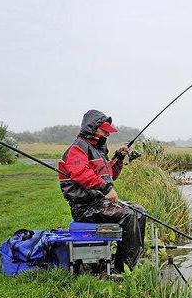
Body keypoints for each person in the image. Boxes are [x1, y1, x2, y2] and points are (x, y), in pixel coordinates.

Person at [58, 109, 146, 271]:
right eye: (104, 131)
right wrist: (106, 189)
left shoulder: (98, 149)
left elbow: (110, 175)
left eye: (108, 131)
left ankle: (130, 259)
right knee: (128, 215)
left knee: (139, 211)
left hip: (99, 203)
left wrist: (119, 158)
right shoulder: (78, 148)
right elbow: (80, 173)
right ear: (92, 128)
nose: (107, 134)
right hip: (84, 208)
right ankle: (125, 268)